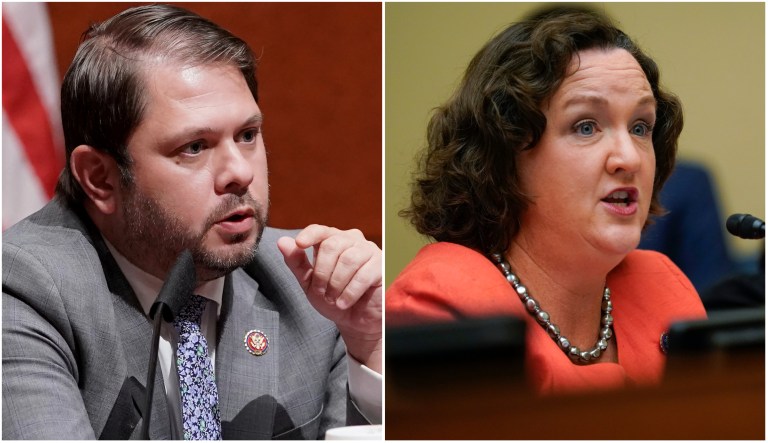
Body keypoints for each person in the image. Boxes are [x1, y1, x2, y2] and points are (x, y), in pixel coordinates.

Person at [2, 4, 381, 440]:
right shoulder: (23, 290)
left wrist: (370, 348)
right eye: (195, 147)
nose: (240, 172)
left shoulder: (311, 287)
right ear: (100, 178)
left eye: (247, 135)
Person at [386, 8, 707, 395]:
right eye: (586, 126)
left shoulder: (662, 288)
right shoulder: (443, 305)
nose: (630, 158)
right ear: (505, 155)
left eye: (641, 127)